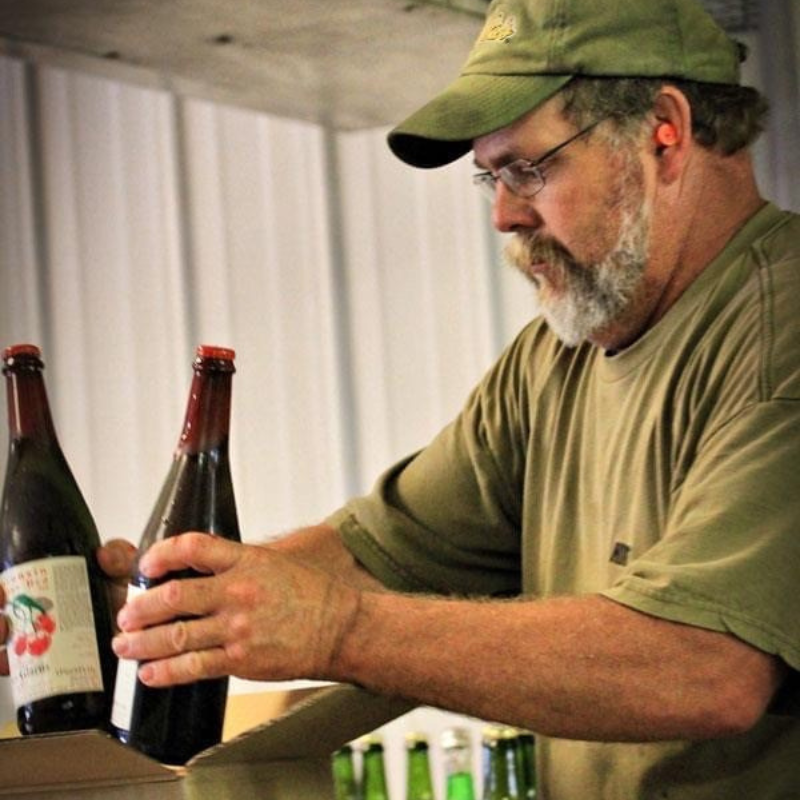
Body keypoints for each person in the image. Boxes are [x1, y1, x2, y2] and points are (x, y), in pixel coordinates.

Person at [3, 0, 799, 795]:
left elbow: (708, 666)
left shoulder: (779, 328)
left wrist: (334, 630)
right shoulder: (553, 364)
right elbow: (379, 555)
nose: (503, 214)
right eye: (489, 176)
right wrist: (164, 607)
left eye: (530, 168)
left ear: (664, 130)